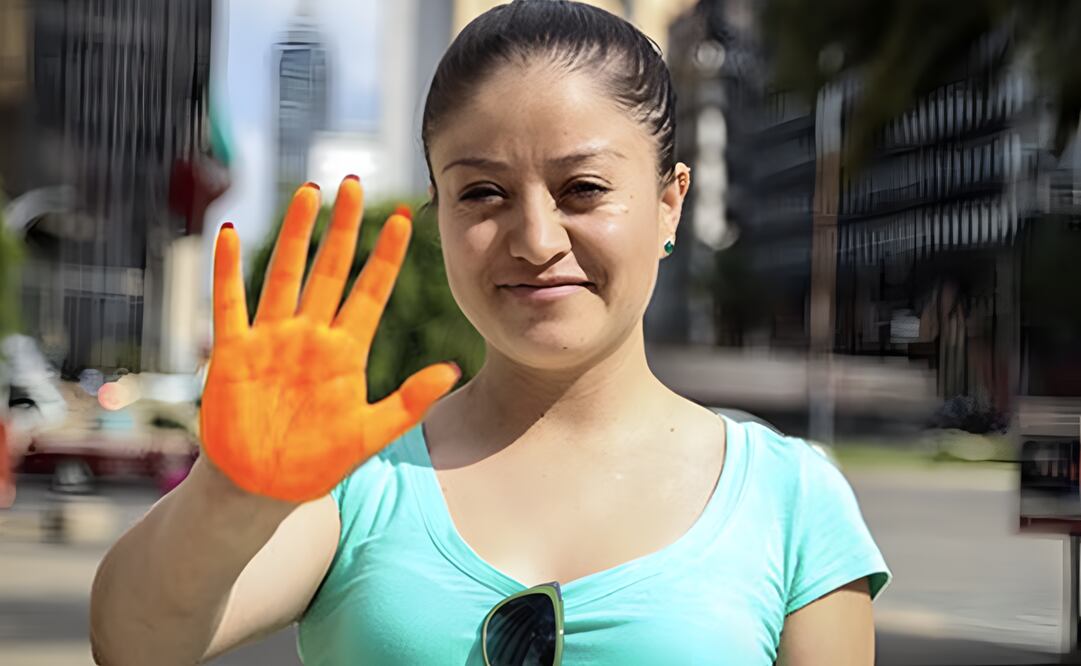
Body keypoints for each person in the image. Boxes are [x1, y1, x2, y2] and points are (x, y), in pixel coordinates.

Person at [90, 2, 890, 664]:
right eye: (481, 193)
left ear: (669, 202)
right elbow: (134, 642)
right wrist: (231, 492)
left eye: (582, 188)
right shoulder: (356, 480)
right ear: (437, 213)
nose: (536, 238)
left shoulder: (790, 499)